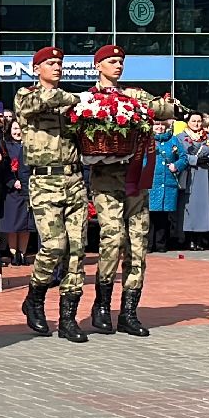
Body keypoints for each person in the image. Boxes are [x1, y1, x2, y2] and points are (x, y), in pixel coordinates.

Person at [82, 44, 176, 336]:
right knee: (112, 238)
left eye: (120, 61)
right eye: (111, 61)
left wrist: (154, 105)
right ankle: (101, 306)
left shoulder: (133, 95)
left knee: (138, 244)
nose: (117, 65)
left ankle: (129, 312)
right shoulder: (87, 98)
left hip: (136, 177)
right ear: (98, 66)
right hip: (106, 177)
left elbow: (168, 109)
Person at [15, 47, 90, 343]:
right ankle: (35, 297)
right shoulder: (26, 96)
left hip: (73, 179)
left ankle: (69, 318)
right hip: (45, 181)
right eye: (50, 63)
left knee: (77, 249)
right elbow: (45, 100)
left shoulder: (71, 103)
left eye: (60, 63)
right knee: (54, 245)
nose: (57, 67)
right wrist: (78, 99)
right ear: (37, 69)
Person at [145, 119, 186, 252]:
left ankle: (161, 244)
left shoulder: (173, 140)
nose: (160, 127)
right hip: (151, 183)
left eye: (163, 125)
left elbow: (183, 157)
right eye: (157, 125)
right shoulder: (146, 140)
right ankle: (148, 244)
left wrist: (177, 166)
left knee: (164, 216)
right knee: (149, 215)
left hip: (168, 182)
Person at [0, 121, 34, 265]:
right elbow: (5, 166)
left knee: (26, 224)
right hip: (12, 189)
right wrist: (13, 182)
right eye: (15, 129)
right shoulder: (6, 145)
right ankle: (14, 254)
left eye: (20, 129)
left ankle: (23, 253)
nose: (18, 132)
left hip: (28, 187)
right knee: (13, 223)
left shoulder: (29, 145)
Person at [180, 112, 209, 248]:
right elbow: (180, 155)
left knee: (204, 206)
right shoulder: (181, 137)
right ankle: (189, 238)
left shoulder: (208, 137)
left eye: (199, 121)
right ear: (188, 122)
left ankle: (200, 238)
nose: (197, 124)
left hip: (205, 174)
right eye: (194, 121)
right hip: (190, 174)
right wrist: (195, 159)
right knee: (189, 206)